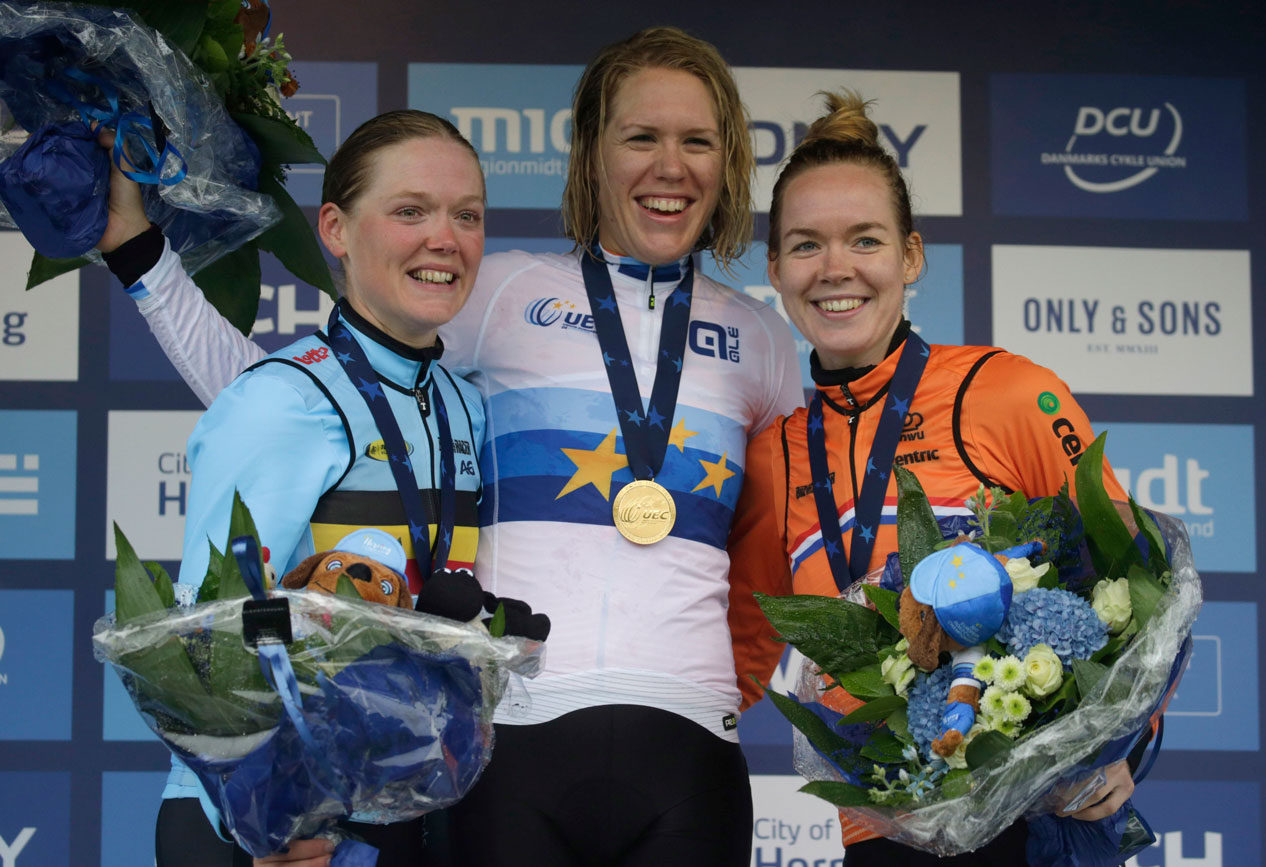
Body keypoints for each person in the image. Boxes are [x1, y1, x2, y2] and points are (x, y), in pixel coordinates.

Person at [111, 27, 803, 866]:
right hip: (494, 750)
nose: (670, 165)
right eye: (641, 137)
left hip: (668, 738)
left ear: (729, 159)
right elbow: (286, 390)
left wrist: (745, 677)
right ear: (593, 155)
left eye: (696, 140)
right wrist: (141, 259)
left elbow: (791, 531)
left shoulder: (763, 339)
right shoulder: (499, 291)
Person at [735, 91, 1139, 866]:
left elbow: (1133, 576)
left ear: (911, 255)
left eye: (865, 239)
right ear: (776, 269)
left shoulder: (1008, 392)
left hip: (1027, 816)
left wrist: (1126, 739)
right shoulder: (773, 458)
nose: (836, 268)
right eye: (807, 245)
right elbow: (733, 652)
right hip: (883, 830)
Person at [99, 109, 490, 867]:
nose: (445, 238)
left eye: (466, 215)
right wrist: (266, 816)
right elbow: (205, 641)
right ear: (336, 229)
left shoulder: (463, 406)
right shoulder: (281, 400)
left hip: (400, 809)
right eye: (410, 211)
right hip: (270, 826)